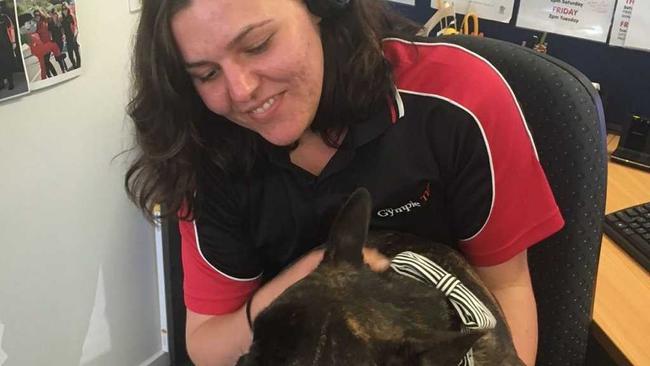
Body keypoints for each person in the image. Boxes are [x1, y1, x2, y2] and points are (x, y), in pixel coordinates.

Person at [125, 1, 565, 365]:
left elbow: (506, 288)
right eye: (206, 74)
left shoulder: (460, 99)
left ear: (321, 9)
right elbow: (206, 344)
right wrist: (307, 281)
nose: (241, 91)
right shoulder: (206, 148)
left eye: (257, 45)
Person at [60, 4, 79, 69]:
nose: (64, 10)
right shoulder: (62, 19)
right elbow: (62, 29)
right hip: (67, 39)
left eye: (65, 9)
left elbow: (76, 26)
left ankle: (78, 65)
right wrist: (63, 35)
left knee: (76, 52)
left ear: (67, 9)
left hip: (73, 37)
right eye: (63, 9)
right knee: (70, 55)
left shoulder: (71, 16)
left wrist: (75, 35)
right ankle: (74, 64)